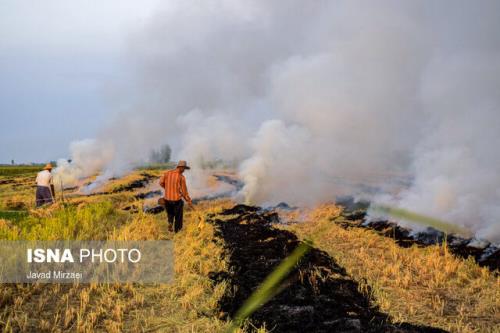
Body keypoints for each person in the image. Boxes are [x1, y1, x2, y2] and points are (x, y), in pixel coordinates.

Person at [159, 160, 193, 232]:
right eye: (184, 168)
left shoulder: (167, 173)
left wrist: (167, 188)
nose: (184, 170)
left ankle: (170, 223)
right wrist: (188, 200)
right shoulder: (181, 177)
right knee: (178, 216)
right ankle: (178, 231)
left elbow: (161, 182)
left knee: (170, 213)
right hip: (176, 200)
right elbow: (184, 192)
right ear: (180, 167)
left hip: (167, 199)